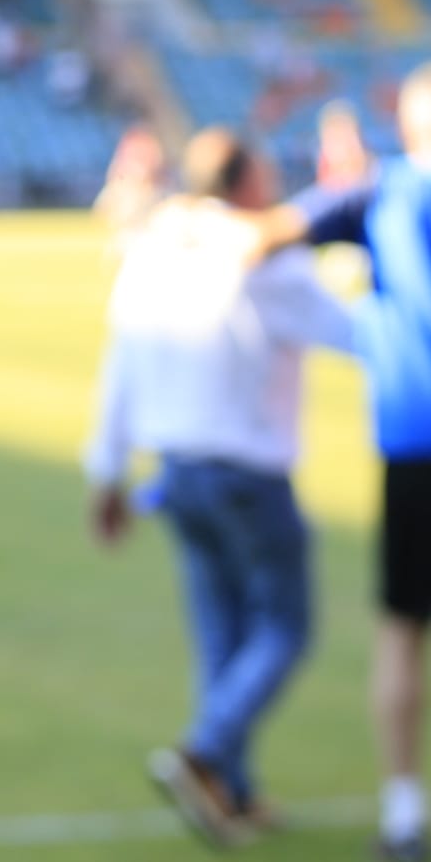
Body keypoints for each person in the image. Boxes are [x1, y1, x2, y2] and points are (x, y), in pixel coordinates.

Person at [84, 128, 355, 847]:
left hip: (175, 470)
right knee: (283, 628)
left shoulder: (150, 247)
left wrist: (106, 474)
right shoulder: (261, 257)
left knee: (222, 636)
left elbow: (120, 366)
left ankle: (228, 790)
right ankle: (206, 751)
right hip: (246, 469)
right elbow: (350, 330)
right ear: (242, 186)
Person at [257, 66, 431, 862]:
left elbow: (266, 234)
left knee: (402, 631)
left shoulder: (381, 192)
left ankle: (402, 814)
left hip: (415, 442)